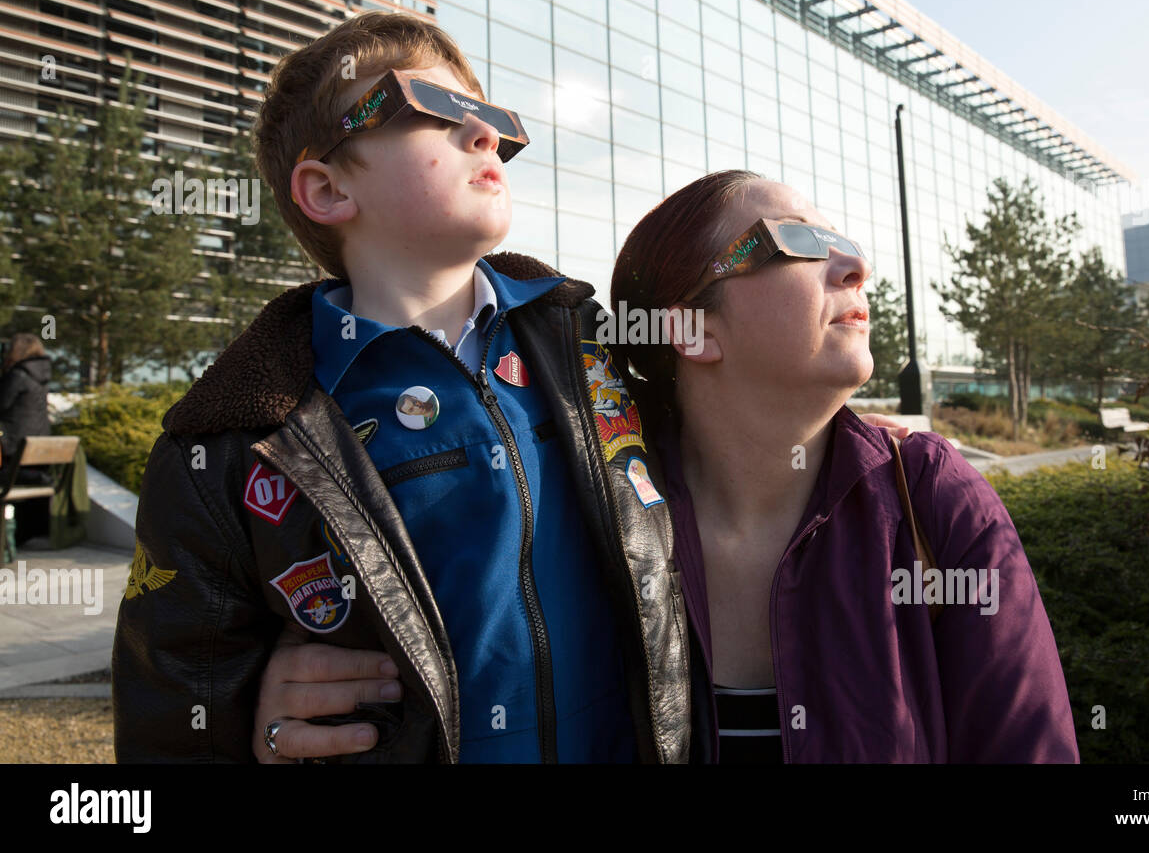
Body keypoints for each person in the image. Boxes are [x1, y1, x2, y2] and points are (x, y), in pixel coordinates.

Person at [251, 171, 1079, 763]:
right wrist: (262, 698)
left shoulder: (931, 499)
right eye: (797, 243)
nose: (853, 265)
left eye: (842, 241)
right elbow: (455, 661)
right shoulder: (582, 509)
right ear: (690, 332)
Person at [111, 10, 696, 763]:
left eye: (489, 118)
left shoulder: (590, 347)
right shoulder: (229, 442)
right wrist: (251, 725)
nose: (485, 134)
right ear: (324, 189)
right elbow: (173, 717)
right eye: (436, 110)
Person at [1, 333, 54, 548]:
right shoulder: (41, 375)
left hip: (16, 448)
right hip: (40, 449)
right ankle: (27, 532)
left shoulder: (18, 375)